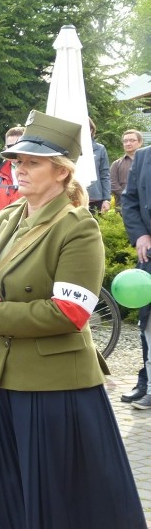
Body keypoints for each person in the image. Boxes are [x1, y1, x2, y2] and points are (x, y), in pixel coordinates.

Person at [0, 110, 150, 529]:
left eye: (33, 162)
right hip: (2, 376)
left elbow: (71, 314)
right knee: (15, 485)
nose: (19, 168)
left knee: (56, 492)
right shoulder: (7, 218)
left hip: (54, 384)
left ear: (63, 170)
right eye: (16, 160)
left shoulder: (78, 228)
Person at [121, 144, 151, 409]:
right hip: (150, 255)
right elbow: (129, 200)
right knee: (149, 324)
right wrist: (140, 234)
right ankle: (147, 383)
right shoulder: (143, 156)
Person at [110, 129, 143, 209]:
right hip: (125, 206)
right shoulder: (116, 164)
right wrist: (128, 196)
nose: (128, 143)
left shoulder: (147, 162)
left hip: (146, 204)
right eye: (125, 141)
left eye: (132, 140)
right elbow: (113, 185)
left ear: (140, 142)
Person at [86, 118, 111, 213]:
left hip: (94, 199)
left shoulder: (100, 149)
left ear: (91, 130)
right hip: (73, 199)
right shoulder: (70, 148)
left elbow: (104, 174)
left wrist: (106, 199)